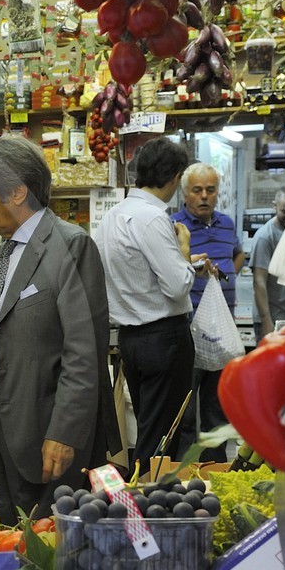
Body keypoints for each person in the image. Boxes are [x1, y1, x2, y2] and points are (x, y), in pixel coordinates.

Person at [0, 137, 117, 523]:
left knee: (53, 549)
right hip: (4, 427)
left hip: (48, 431)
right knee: (14, 542)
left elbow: (84, 353)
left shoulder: (70, 245)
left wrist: (65, 433)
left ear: (16, 191)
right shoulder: (8, 249)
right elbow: (0, 334)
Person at [93, 137, 210, 467]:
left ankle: (142, 503)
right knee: (162, 437)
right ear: (174, 178)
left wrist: (184, 263)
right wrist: (184, 251)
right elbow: (177, 287)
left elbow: (137, 274)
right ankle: (146, 509)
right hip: (164, 338)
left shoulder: (113, 217)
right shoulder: (153, 218)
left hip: (131, 340)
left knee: (148, 429)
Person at [171, 162, 245, 437]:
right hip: (190, 330)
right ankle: (185, 473)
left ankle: (215, 471)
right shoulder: (175, 227)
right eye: (197, 190)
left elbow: (238, 254)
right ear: (185, 193)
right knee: (186, 412)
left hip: (223, 329)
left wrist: (226, 277)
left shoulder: (226, 223)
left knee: (218, 409)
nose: (204, 196)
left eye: (210, 190)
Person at [252, 188, 285, 339]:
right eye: (284, 211)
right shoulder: (265, 236)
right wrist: (266, 322)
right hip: (270, 318)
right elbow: (259, 282)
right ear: (274, 206)